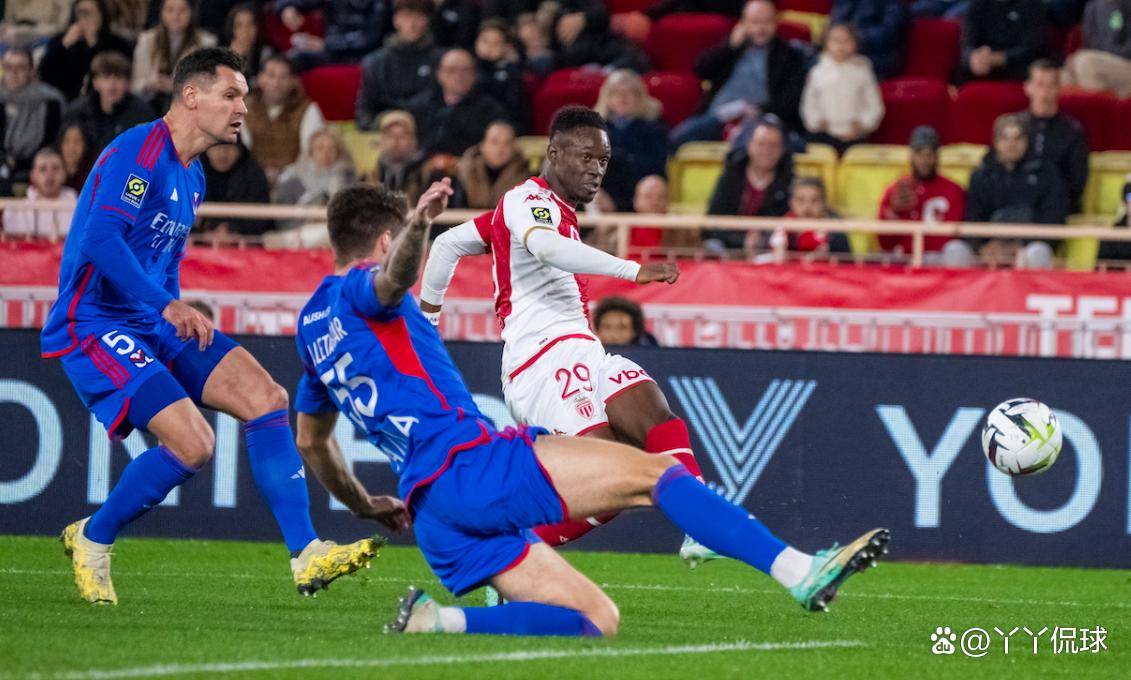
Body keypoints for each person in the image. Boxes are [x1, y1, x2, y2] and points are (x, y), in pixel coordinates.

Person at [295, 179, 891, 637]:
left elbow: (312, 442)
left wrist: (365, 505)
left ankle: (438, 621)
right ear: (384, 242)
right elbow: (391, 280)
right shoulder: (367, 288)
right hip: (471, 464)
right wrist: (421, 224)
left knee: (597, 619)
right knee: (660, 473)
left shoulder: (311, 326)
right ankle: (798, 571)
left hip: (432, 514)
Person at [44, 48, 380, 606]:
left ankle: (307, 553)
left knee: (267, 398)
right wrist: (166, 306)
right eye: (231, 95)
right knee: (194, 444)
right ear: (191, 96)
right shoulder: (137, 152)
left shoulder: (194, 175)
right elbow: (101, 240)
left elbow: (164, 255)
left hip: (150, 318)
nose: (242, 108)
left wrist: (172, 306)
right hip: (94, 321)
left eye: (244, 97)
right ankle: (93, 538)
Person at [421, 107, 720, 566]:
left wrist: (427, 322)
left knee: (651, 409)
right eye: (585, 157)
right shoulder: (528, 200)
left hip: (582, 350)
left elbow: (446, 244)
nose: (596, 169)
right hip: (539, 360)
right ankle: (504, 554)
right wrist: (630, 270)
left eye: (603, 160)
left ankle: (701, 524)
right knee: (605, 480)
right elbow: (545, 247)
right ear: (554, 153)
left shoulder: (529, 212)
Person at [668, 0, 808, 150]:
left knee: (755, 146)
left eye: (767, 22)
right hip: (718, 116)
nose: (761, 28)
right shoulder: (732, 48)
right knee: (676, 139)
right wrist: (729, 46)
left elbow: (789, 101)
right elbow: (701, 70)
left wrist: (758, 109)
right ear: (743, 23)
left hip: (759, 119)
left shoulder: (790, 56)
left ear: (776, 23)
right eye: (755, 22)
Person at [963, 113, 1068, 267]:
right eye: (1005, 138)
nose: (1011, 144)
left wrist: (1020, 245)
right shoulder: (980, 176)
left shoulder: (1047, 174)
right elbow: (973, 217)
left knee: (1039, 252)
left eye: (1018, 138)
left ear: (1028, 141)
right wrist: (982, 245)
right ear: (995, 141)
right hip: (988, 250)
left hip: (1028, 248)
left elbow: (1053, 219)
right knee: (956, 250)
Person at [877, 126, 968, 262]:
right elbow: (884, 243)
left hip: (938, 259)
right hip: (904, 260)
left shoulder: (954, 190)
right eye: (919, 153)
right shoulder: (896, 189)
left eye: (929, 154)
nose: (924, 160)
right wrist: (894, 212)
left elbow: (954, 235)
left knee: (957, 250)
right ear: (911, 155)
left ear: (937, 157)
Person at [706, 118, 794, 251]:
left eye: (773, 145)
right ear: (749, 145)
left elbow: (787, 226)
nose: (767, 151)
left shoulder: (790, 183)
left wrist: (761, 239)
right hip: (728, 246)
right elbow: (712, 222)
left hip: (769, 249)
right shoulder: (730, 177)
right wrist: (742, 240)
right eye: (761, 144)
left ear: (782, 149)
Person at [355, 0, 441, 132]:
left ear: (427, 20)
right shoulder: (376, 62)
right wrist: (385, 126)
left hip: (428, 133)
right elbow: (365, 110)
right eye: (406, 16)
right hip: (385, 132)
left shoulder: (442, 60)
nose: (412, 23)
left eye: (419, 16)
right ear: (396, 20)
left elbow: (442, 106)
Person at [407, 48, 508, 160]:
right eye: (451, 70)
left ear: (475, 74)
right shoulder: (419, 106)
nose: (459, 76)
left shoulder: (491, 110)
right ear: (439, 74)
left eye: (465, 70)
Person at [1015, 59, 1089, 214]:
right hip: (1016, 202)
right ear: (1028, 87)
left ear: (1059, 88)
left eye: (1051, 85)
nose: (1045, 92)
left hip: (1056, 206)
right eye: (1040, 84)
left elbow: (1077, 182)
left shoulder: (1072, 131)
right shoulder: (1013, 126)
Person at [800, 22, 884, 155]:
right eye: (835, 40)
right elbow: (809, 104)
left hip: (854, 134)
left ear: (855, 43)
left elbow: (874, 105)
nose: (841, 46)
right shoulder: (817, 72)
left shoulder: (863, 71)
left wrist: (864, 124)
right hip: (823, 134)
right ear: (826, 43)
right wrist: (815, 122)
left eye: (846, 40)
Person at [241, 55, 326, 185]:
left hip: (297, 179)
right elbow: (241, 150)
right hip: (252, 178)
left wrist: (283, 176)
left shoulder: (308, 109)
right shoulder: (244, 107)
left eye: (283, 77)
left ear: (293, 81)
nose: (276, 83)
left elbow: (310, 154)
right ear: (260, 78)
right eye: (271, 75)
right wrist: (260, 173)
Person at [594, 69, 669, 212]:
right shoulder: (595, 130)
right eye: (616, 93)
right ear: (607, 98)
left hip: (639, 192)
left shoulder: (654, 128)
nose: (622, 98)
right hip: (605, 194)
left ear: (639, 97)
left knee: (652, 186)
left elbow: (655, 168)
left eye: (629, 93)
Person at [38, 0, 135, 101]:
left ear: (101, 15)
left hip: (103, 99)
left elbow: (115, 72)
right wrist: (63, 45)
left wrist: (93, 45)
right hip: (65, 99)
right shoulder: (61, 41)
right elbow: (45, 75)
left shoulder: (118, 44)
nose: (84, 19)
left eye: (89, 13)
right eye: (81, 13)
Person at [132, 0, 218, 111]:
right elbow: (135, 83)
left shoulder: (206, 43)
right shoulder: (146, 40)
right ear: (161, 12)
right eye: (170, 10)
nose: (175, 16)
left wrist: (176, 86)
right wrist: (152, 83)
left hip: (189, 104)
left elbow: (207, 84)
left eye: (182, 10)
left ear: (191, 13)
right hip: (150, 102)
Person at [62, 50, 154, 153]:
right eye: (106, 77)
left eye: (118, 78)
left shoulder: (141, 112)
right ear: (95, 82)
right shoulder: (77, 112)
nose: (112, 85)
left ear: (128, 83)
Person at [0, 48, 65, 178]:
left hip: (39, 170)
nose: (14, 73)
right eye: (9, 67)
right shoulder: (1, 100)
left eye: (20, 67)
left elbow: (52, 141)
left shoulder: (50, 101)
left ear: (31, 70)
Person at [275, 0, 388, 72]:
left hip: (365, 54)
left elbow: (369, 38)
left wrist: (326, 44)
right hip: (331, 52)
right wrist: (288, 7)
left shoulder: (379, 3)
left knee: (374, 64)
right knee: (291, 60)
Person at [273, 128, 357, 226]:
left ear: (338, 153)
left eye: (332, 149)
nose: (326, 154)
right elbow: (282, 222)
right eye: (320, 148)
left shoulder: (349, 181)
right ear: (310, 152)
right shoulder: (291, 181)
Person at [958, 0, 1047, 82]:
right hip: (982, 63)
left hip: (1018, 65)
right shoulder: (977, 5)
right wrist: (974, 57)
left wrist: (1000, 58)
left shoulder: (1033, 5)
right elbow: (967, 44)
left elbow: (1033, 48)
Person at [201, 141, 274, 237]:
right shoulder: (193, 174)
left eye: (228, 147)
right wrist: (204, 232)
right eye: (216, 148)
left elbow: (261, 217)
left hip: (248, 242)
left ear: (239, 150)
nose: (222, 154)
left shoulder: (253, 175)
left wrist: (233, 230)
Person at [2, 148, 77, 240]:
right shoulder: (16, 211)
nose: (50, 175)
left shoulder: (78, 207)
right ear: (32, 176)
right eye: (42, 169)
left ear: (64, 174)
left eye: (55, 168)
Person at [455, 120, 528, 210]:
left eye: (506, 143)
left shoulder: (525, 176)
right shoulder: (466, 171)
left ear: (514, 148)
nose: (500, 149)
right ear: (483, 145)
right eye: (494, 142)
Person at [1064, 0, 1131, 98]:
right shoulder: (1092, 6)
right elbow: (1089, 44)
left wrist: (1104, 56)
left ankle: (1103, 105)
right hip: (1101, 61)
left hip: (1126, 63)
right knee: (1064, 74)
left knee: (1086, 62)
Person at [829, 0, 910, 80]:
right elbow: (836, 24)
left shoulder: (892, 4)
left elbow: (888, 32)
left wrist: (854, 39)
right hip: (845, 54)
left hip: (876, 59)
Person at [367, 109, 430, 205]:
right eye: (390, 135)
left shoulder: (425, 172)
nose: (396, 141)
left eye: (402, 136)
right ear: (381, 140)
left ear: (413, 140)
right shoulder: (371, 173)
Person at [777, 176, 849, 259]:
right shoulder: (781, 226)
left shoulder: (835, 229)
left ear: (824, 203)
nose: (807, 206)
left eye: (815, 200)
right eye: (800, 200)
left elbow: (846, 260)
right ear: (791, 202)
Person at [474, 19, 526, 132]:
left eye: (496, 43)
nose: (489, 47)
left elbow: (512, 108)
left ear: (506, 47)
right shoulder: (466, 68)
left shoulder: (512, 72)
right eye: (485, 41)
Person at [223, 3, 275, 85]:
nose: (245, 31)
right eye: (239, 25)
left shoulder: (266, 52)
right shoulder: (223, 55)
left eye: (250, 24)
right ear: (232, 29)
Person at [593, 296, 657, 346]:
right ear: (597, 331)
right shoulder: (589, 355)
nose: (614, 335)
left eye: (622, 328)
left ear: (634, 332)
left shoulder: (651, 354)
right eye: (607, 327)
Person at [58, 123, 96, 192]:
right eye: (67, 141)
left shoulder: (92, 177)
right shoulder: (53, 174)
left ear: (85, 146)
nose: (71, 148)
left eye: (77, 142)